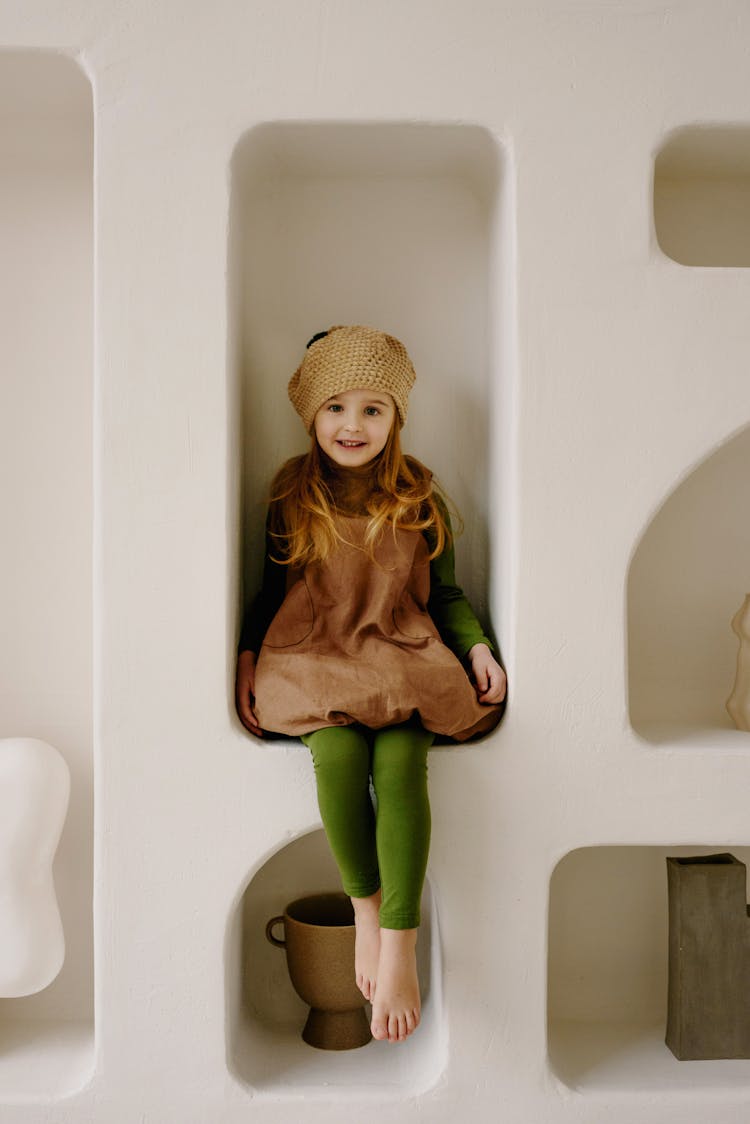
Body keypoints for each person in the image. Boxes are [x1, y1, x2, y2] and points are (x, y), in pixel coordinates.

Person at [235, 325, 506, 1045]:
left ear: (395, 419)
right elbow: (270, 595)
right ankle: (365, 909)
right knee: (340, 756)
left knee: (398, 761)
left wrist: (476, 648)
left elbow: (444, 598)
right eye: (336, 408)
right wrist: (246, 655)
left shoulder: (419, 497)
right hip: (315, 652)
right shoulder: (291, 497)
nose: (352, 426)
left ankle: (401, 938)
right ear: (311, 416)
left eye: (372, 410)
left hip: (399, 651)